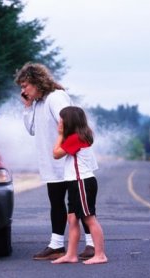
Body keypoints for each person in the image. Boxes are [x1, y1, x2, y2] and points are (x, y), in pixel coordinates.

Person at [15, 62, 95, 260]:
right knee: (57, 204)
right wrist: (27, 107)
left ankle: (92, 245)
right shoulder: (38, 103)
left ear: (36, 82)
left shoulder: (56, 97)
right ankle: (57, 245)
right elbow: (32, 129)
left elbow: (71, 123)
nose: (23, 90)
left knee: (79, 205)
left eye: (25, 85)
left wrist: (67, 150)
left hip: (70, 161)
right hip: (52, 164)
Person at [51, 106, 108, 265]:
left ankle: (100, 254)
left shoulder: (75, 138)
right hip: (76, 182)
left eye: (61, 119)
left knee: (89, 219)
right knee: (72, 219)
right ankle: (71, 254)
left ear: (68, 121)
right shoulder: (79, 137)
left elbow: (55, 154)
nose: (59, 122)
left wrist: (60, 134)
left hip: (82, 182)